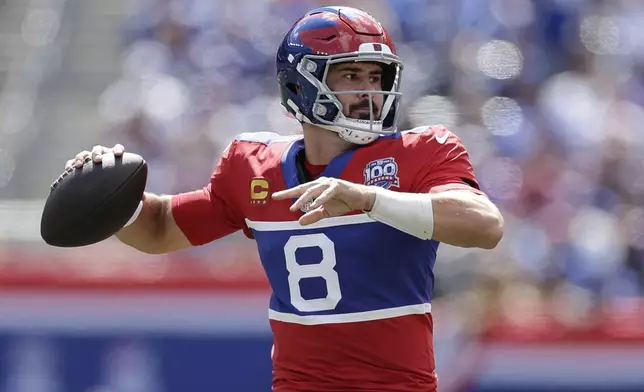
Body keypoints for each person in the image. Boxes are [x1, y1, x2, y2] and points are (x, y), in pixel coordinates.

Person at [66, 6, 504, 392]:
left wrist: (368, 200)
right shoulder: (253, 166)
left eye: (377, 76)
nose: (370, 91)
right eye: (351, 74)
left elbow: (485, 225)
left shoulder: (419, 152)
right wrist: (109, 194)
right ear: (301, 85)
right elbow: (161, 229)